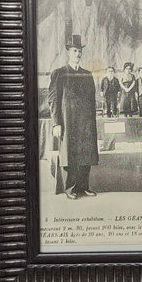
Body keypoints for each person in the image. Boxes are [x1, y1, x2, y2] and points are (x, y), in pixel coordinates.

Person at [48, 34, 99, 200]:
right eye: (75, 51)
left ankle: (84, 187)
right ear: (69, 53)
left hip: (86, 122)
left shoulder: (87, 74)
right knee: (69, 154)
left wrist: (92, 122)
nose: (78, 54)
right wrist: (56, 123)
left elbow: (92, 99)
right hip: (68, 121)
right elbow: (53, 99)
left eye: (79, 51)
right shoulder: (59, 73)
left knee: (86, 153)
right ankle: (70, 188)